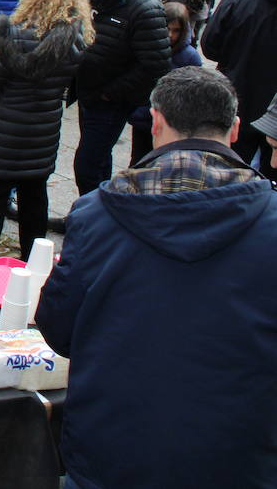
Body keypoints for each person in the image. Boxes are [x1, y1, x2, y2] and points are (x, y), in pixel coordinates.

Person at [37, 66, 277, 489]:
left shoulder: (96, 214)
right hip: (238, 455)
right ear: (235, 130)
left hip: (113, 449)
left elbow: (58, 329)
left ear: (157, 121)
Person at [0, 0, 91, 260]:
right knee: (35, 203)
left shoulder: (14, 34)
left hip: (1, 135)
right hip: (41, 136)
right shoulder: (76, 40)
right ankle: (33, 266)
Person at [72, 0, 171, 195]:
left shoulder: (145, 6)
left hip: (110, 100)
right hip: (90, 93)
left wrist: (109, 93)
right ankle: (98, 211)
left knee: (87, 165)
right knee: (98, 160)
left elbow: (156, 65)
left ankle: (91, 218)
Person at [201, 0, 277, 172]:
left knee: (229, 173)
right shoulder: (238, 1)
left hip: (236, 104)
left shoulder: (237, 1)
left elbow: (210, 47)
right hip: (271, 119)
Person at [128, 1, 202, 165]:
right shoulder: (147, 46)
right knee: (139, 160)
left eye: (176, 31)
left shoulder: (189, 57)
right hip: (144, 117)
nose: (170, 35)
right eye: (167, 29)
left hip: (171, 122)